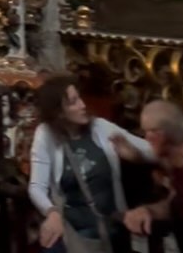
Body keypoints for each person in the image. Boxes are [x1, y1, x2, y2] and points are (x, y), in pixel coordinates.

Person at [29, 74, 153, 252]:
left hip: (108, 226)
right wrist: (51, 212)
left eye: (79, 98)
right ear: (59, 112)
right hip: (72, 230)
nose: (83, 105)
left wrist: (136, 155)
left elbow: (152, 150)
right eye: (73, 102)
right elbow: (36, 187)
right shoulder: (46, 134)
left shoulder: (100, 127)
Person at [118, 99, 183, 249]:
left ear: (159, 136)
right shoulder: (182, 167)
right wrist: (149, 211)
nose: (146, 139)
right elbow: (176, 206)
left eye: (146, 132)